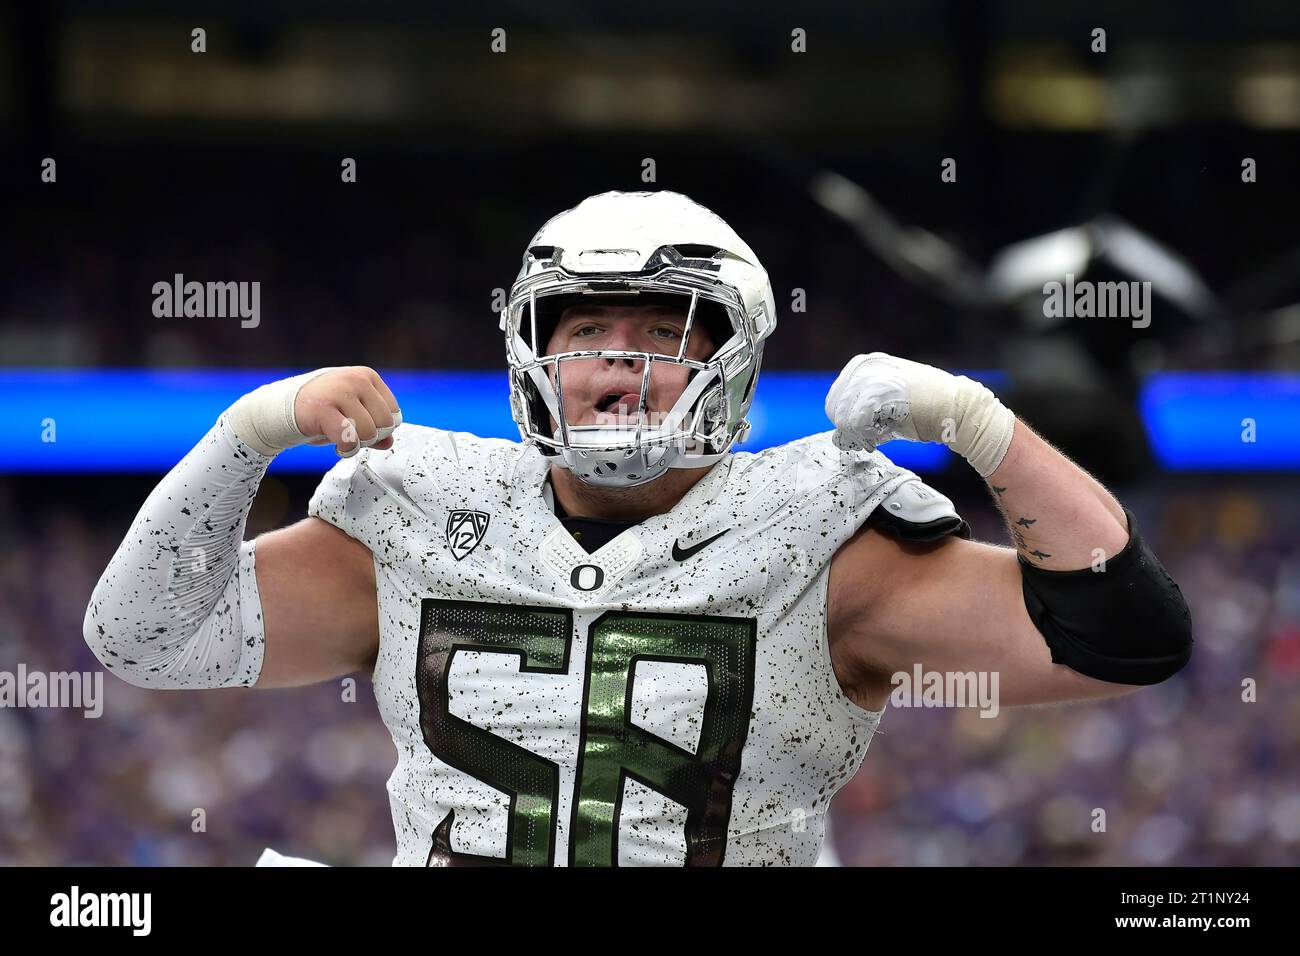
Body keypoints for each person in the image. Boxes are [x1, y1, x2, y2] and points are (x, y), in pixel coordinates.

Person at [84, 190, 1192, 866]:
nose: (620, 360)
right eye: (588, 330)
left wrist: (981, 424)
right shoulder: (415, 508)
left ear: (732, 360)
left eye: (664, 330)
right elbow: (140, 635)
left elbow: (1126, 635)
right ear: (530, 353)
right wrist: (249, 430)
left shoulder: (826, 531)